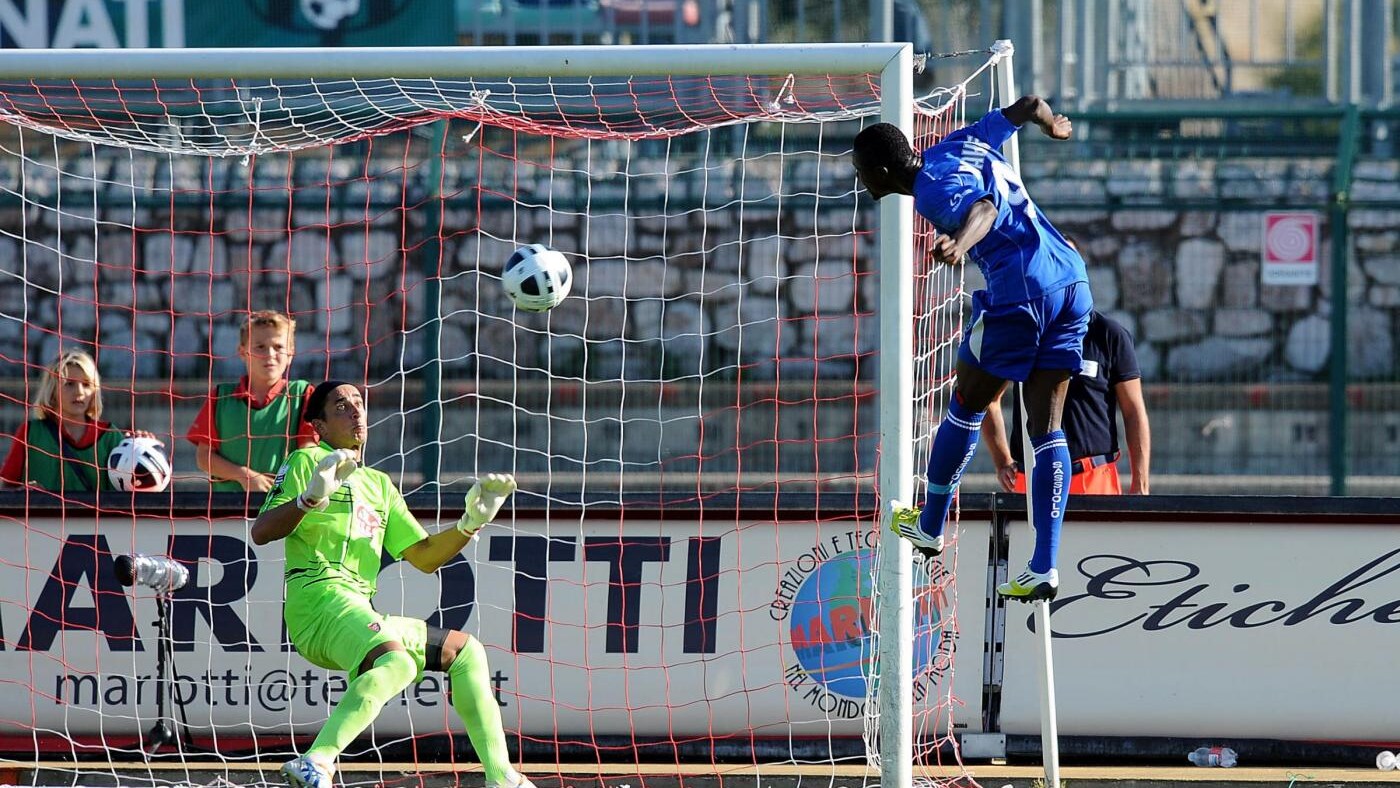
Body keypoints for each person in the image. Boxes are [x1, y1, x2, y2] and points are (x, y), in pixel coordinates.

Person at [852, 94, 1092, 602]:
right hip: (1070, 282)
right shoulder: (960, 143)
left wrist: (959, 244)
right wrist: (1053, 125)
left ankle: (930, 524)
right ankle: (1044, 567)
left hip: (1019, 293)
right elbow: (1027, 104)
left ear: (880, 170)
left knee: (966, 403)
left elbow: (983, 208)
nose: (861, 181)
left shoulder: (931, 192)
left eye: (860, 172)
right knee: (1046, 426)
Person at [252, 380, 534, 788]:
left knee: (466, 651)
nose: (355, 410)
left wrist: (471, 524)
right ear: (320, 425)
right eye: (340, 405)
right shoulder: (307, 461)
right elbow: (261, 533)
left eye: (359, 403)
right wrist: (309, 499)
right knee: (397, 662)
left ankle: (501, 776)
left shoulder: (380, 485)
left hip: (356, 608)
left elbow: (423, 557)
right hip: (316, 601)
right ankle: (317, 760)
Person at [982, 304, 1151, 495]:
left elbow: (1133, 411)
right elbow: (988, 399)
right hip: (1032, 478)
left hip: (1093, 479)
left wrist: (1140, 485)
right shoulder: (1023, 333)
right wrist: (1002, 461)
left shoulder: (1108, 334)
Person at [187, 311, 318, 493]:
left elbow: (309, 452)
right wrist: (244, 475)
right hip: (226, 512)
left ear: (291, 353)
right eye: (260, 347)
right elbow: (203, 457)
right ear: (243, 352)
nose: (270, 354)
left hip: (284, 509)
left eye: (278, 346)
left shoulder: (303, 394)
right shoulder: (221, 397)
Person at [1, 350, 156, 492]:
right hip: (41, 522)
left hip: (96, 523)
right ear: (52, 390)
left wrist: (143, 450)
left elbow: (135, 493)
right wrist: (21, 492)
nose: (79, 392)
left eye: (86, 384)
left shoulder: (110, 436)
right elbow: (5, 487)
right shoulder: (30, 433)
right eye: (69, 384)